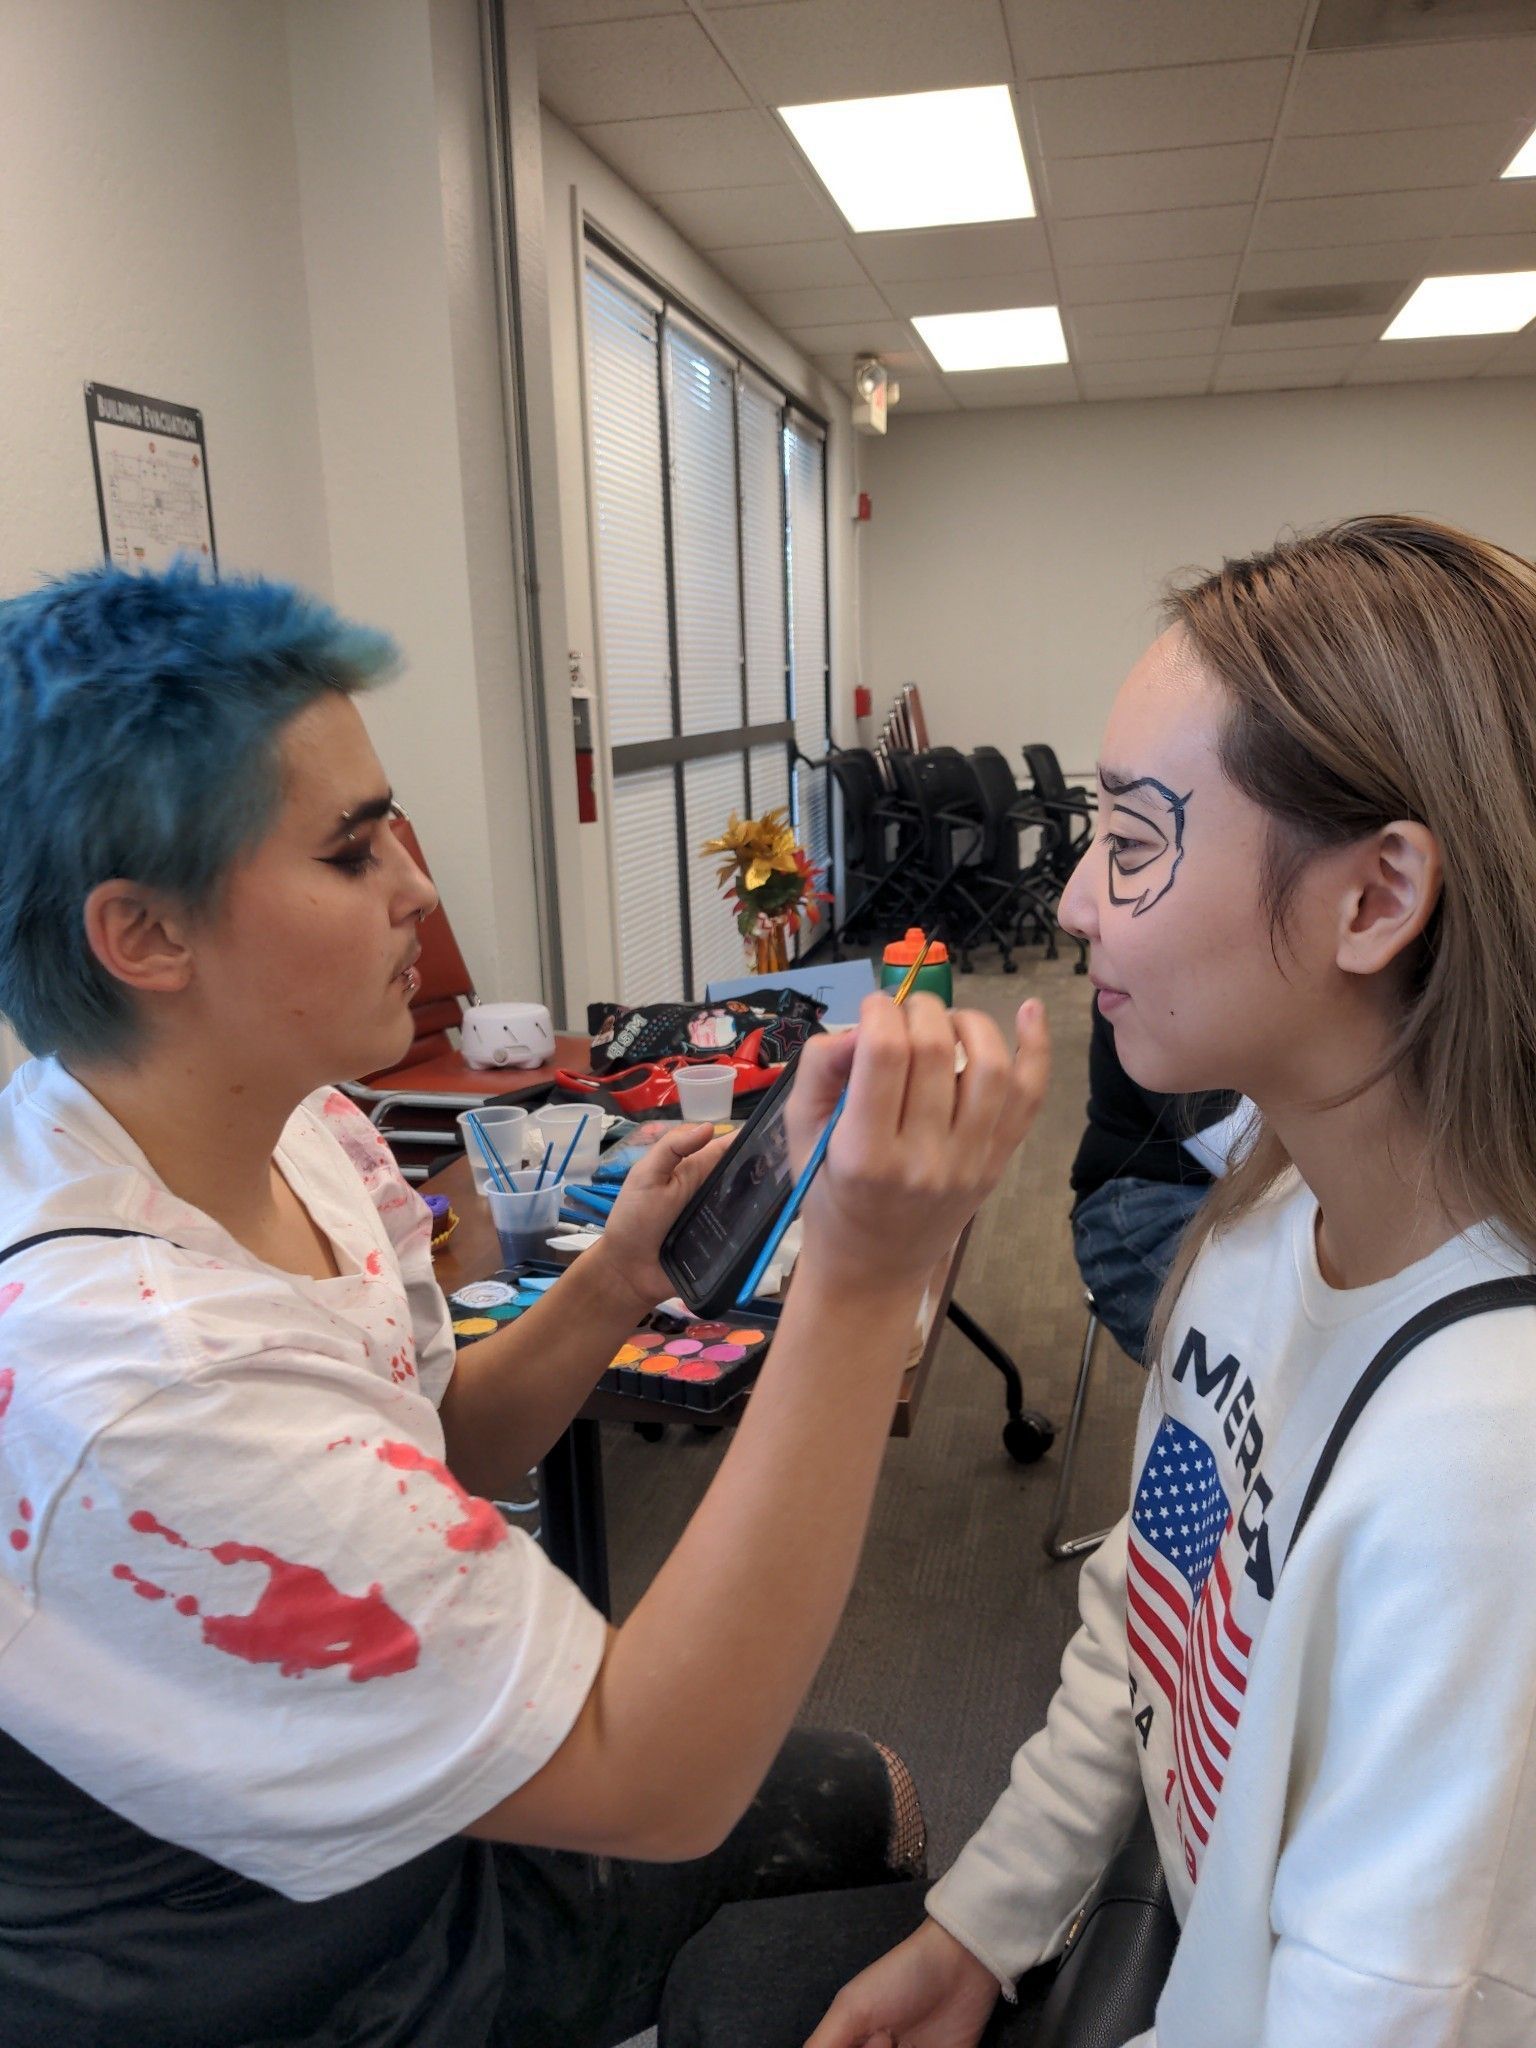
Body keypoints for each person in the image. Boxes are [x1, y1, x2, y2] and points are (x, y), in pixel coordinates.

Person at [0, 564, 1049, 2047]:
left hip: (379, 1798)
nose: (420, 893)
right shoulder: (134, 1378)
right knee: (833, 1806)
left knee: (847, 1798)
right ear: (147, 937)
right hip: (286, 1969)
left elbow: (427, 1446)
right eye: (355, 854)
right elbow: (657, 1785)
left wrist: (621, 1275)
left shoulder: (297, 1127)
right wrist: (867, 1277)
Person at [675, 514, 1536, 2047]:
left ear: (1375, 899)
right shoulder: (1258, 1236)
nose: (1071, 905)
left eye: (1131, 846)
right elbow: (1148, 1611)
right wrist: (978, 1929)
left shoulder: (1484, 1467)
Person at [1069, 1004, 1245, 1363]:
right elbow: (1233, 1151)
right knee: (1280, 1345)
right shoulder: (1154, 985)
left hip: (1235, 1196)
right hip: (1139, 1202)